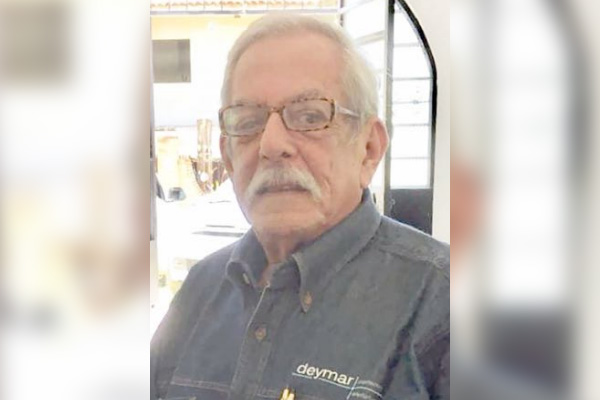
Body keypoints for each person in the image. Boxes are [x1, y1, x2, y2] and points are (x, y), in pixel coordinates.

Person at [151, 14, 449, 400]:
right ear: (228, 157)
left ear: (369, 149)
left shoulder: (443, 304)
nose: (272, 144)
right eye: (248, 121)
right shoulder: (201, 289)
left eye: (310, 116)